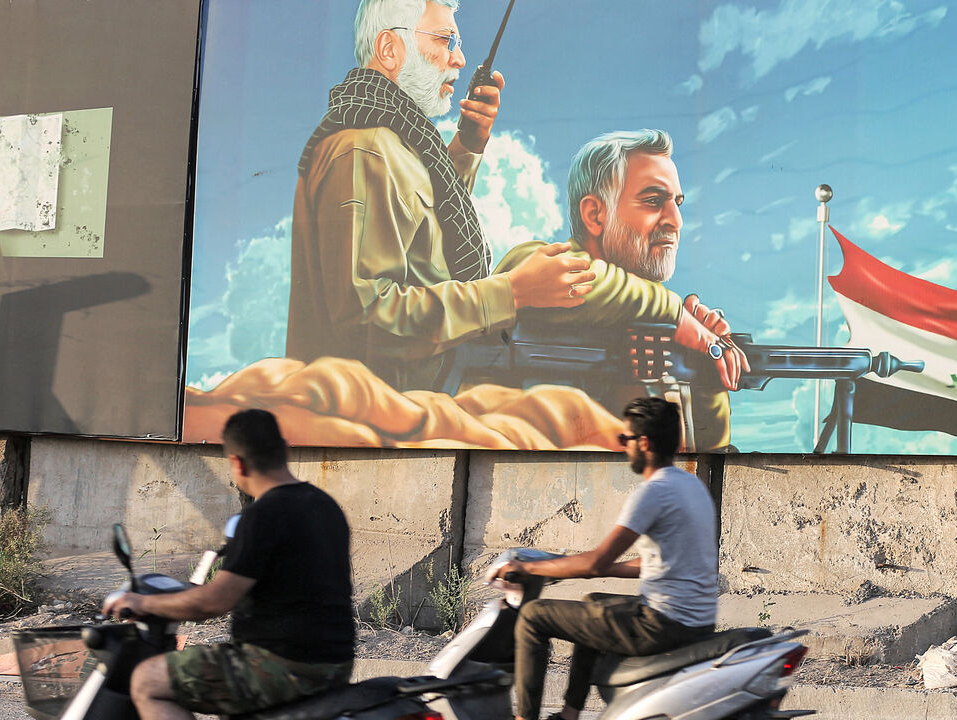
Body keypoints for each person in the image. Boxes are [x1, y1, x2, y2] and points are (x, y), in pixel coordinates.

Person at [287, 0, 596, 393]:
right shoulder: (365, 150)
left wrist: (467, 143)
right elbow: (366, 318)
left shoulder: (394, 139)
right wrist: (512, 291)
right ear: (389, 50)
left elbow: (424, 232)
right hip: (392, 404)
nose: (461, 58)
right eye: (445, 40)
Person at [494, 129, 748, 451]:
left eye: (677, 203)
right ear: (594, 214)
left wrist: (706, 374)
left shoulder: (643, 319)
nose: (675, 221)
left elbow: (708, 449)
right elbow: (575, 275)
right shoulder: (536, 265)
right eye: (654, 201)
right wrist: (675, 315)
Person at [103, 409, 355, 719]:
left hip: (279, 664)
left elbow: (214, 601)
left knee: (147, 680)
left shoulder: (262, 515)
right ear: (285, 449)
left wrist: (142, 601)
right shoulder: (325, 506)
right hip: (336, 663)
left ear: (236, 462)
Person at [495, 397, 719, 720]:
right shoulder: (691, 485)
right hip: (695, 622)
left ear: (644, 443)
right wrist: (581, 569)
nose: (623, 446)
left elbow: (595, 562)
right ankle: (570, 714)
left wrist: (529, 568)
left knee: (532, 616)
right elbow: (649, 564)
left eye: (625, 439)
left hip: (661, 624)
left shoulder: (652, 492)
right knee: (593, 601)